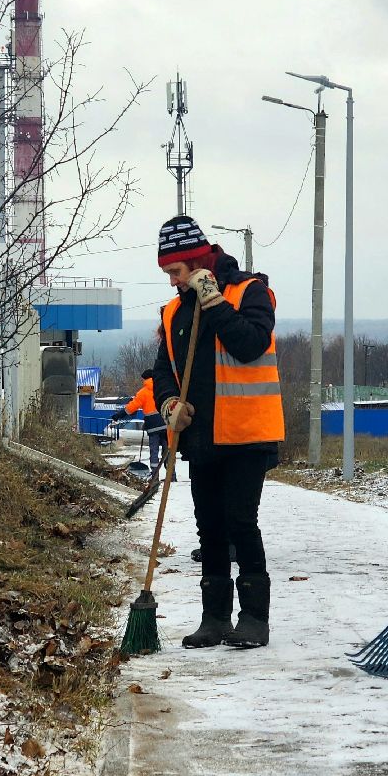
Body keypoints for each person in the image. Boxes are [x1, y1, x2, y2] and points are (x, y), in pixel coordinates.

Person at [150, 215, 283, 649]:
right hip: (201, 437)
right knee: (208, 525)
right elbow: (164, 369)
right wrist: (170, 404)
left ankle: (255, 618)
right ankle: (214, 617)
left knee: (240, 521)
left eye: (175, 271)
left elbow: (250, 345)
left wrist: (214, 302)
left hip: (248, 434)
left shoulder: (249, 292)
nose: (172, 282)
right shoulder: (174, 312)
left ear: (194, 262)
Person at [118, 369, 170, 476]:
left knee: (154, 451)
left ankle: (155, 476)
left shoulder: (143, 393)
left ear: (145, 379)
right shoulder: (162, 388)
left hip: (153, 427)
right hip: (166, 425)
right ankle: (171, 475)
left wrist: (119, 415)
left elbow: (132, 407)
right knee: (168, 450)